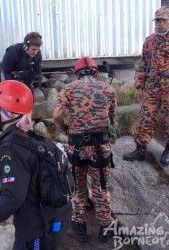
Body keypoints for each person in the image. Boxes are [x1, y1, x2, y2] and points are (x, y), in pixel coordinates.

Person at [0, 80, 70, 250]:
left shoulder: (11, 147)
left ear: (5, 113)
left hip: (38, 226)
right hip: (55, 216)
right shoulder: (30, 136)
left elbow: (14, 197)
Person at [53, 57, 117, 243]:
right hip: (100, 147)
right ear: (96, 72)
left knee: (77, 187)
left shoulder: (68, 89)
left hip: (76, 147)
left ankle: (79, 225)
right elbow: (112, 118)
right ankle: (106, 225)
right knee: (101, 187)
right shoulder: (109, 89)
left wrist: (66, 128)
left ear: (77, 73)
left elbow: (56, 114)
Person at [123, 6, 169, 165]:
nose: (160, 23)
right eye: (158, 20)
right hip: (152, 87)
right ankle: (141, 148)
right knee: (146, 117)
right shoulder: (149, 40)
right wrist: (140, 86)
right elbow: (143, 64)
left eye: (164, 20)